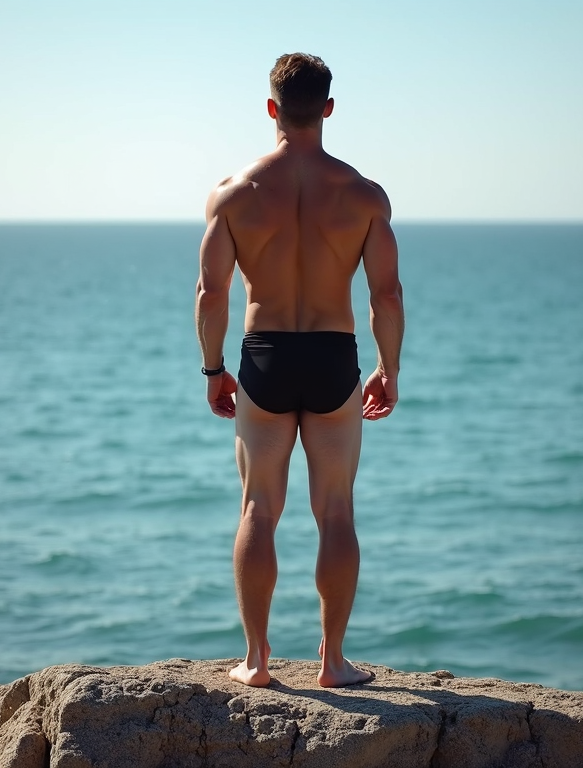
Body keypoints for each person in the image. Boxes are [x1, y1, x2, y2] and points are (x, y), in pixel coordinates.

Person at [195, 52, 404, 688]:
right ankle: (333, 662)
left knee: (260, 505)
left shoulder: (233, 195)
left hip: (264, 356)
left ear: (271, 109)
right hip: (333, 356)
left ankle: (257, 661)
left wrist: (213, 369)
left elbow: (211, 292)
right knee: (335, 511)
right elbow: (386, 295)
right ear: (329, 110)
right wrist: (387, 369)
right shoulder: (363, 195)